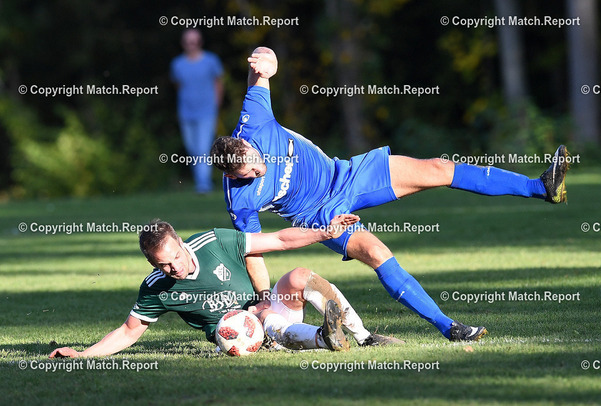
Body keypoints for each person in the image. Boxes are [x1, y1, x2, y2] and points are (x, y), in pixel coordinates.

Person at [210, 46, 572, 342]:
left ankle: (542, 187)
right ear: (230, 175)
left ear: (247, 143)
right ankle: (449, 327)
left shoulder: (254, 122)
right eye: (249, 174)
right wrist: (263, 298)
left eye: (256, 162)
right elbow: (254, 248)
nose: (259, 171)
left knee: (438, 168)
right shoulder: (239, 199)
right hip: (318, 216)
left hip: (345, 173)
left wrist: (266, 59)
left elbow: (261, 66)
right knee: (377, 253)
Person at [49, 216, 401, 358]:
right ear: (152, 264)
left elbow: (278, 239)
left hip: (266, 306)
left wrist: (323, 232)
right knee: (265, 323)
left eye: (176, 257)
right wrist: (83, 355)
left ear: (180, 242)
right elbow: (129, 332)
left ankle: (363, 337)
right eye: (163, 265)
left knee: (299, 275)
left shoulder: (215, 242)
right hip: (240, 334)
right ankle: (325, 339)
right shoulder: (156, 288)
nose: (174, 268)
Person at [171, 29, 224, 194]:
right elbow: (178, 85)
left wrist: (216, 104)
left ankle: (203, 185)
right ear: (183, 44)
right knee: (192, 149)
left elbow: (218, 83)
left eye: (194, 42)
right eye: (188, 42)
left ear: (200, 42)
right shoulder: (177, 64)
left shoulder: (211, 61)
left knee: (202, 148)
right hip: (186, 113)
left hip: (207, 111)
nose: (191, 45)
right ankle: (201, 181)